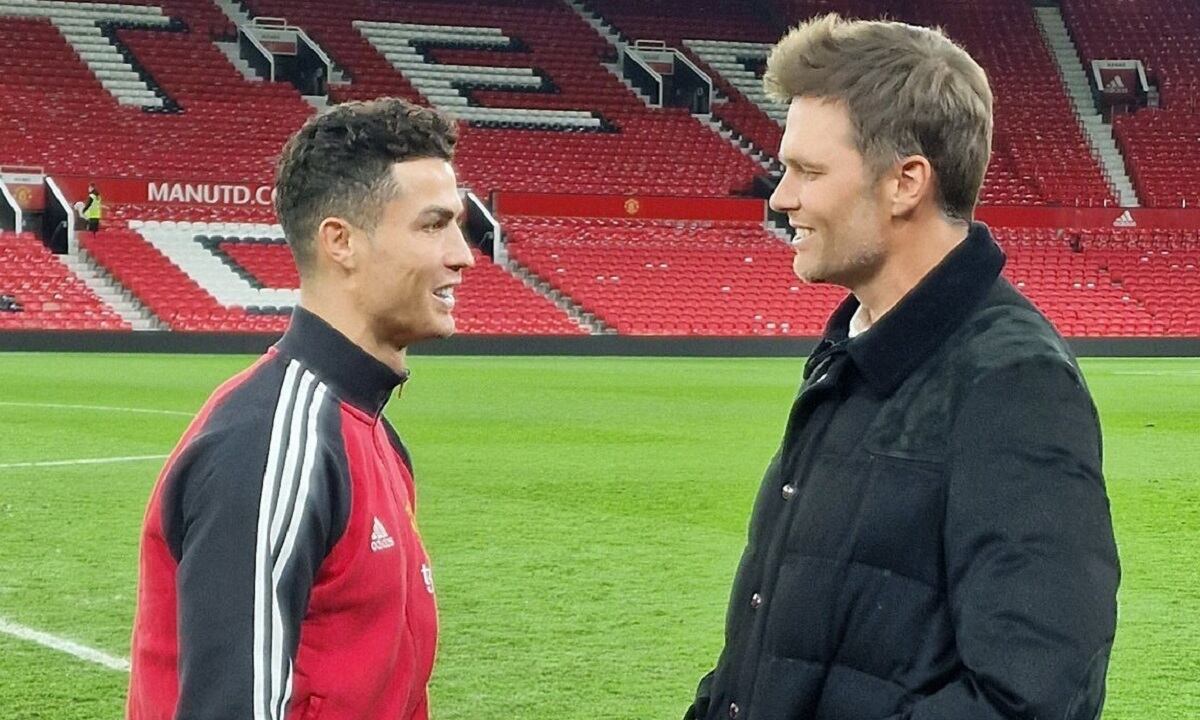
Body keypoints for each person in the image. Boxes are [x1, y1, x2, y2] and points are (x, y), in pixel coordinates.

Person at [685, 14, 1119, 720]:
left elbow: (1030, 696)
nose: (781, 197)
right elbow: (771, 650)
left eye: (809, 171)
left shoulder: (1014, 384)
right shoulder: (851, 355)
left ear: (905, 183)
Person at [127, 97, 474, 720]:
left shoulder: (371, 431)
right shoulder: (271, 444)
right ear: (341, 242)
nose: (462, 254)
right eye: (433, 225)